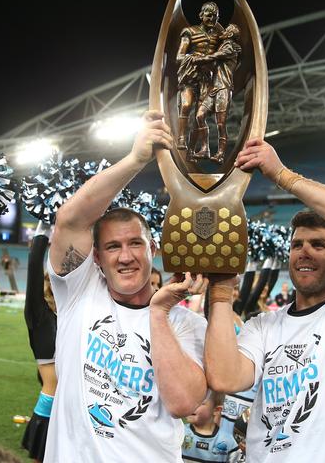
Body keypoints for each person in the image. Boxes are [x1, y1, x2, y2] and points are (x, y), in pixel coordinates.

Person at [204, 138, 325, 461]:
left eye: (319, 244)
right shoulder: (265, 326)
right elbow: (225, 376)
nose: (304, 251)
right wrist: (222, 293)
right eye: (297, 245)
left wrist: (282, 175)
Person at [44, 110, 209, 462]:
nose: (125, 257)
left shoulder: (188, 324)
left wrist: (160, 312)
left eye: (135, 243)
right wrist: (135, 159)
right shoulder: (80, 292)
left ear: (153, 250)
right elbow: (69, 219)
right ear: (97, 259)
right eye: (113, 247)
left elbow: (183, 402)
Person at [21, 221, 57, 463]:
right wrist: (44, 227)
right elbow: (34, 268)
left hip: (80, 406)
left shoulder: (77, 314)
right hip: (50, 408)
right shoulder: (39, 317)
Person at [176, 1, 223, 154]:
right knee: (186, 104)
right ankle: (181, 137)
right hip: (191, 74)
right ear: (201, 15)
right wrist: (194, 57)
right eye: (209, 15)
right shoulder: (189, 31)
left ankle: (195, 149)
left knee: (200, 115)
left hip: (207, 77)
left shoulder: (219, 34)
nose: (212, 19)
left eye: (215, 16)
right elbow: (179, 56)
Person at [194, 23, 242, 164]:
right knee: (199, 115)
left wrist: (200, 59)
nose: (224, 31)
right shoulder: (224, 45)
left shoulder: (230, 47)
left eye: (227, 30)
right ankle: (205, 149)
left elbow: (215, 56)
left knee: (221, 124)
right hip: (214, 89)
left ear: (231, 34)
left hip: (224, 89)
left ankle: (220, 154)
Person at [181, 391, 238, 462]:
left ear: (216, 410)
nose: (190, 405)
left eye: (199, 402)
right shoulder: (180, 432)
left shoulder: (228, 441)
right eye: (190, 401)